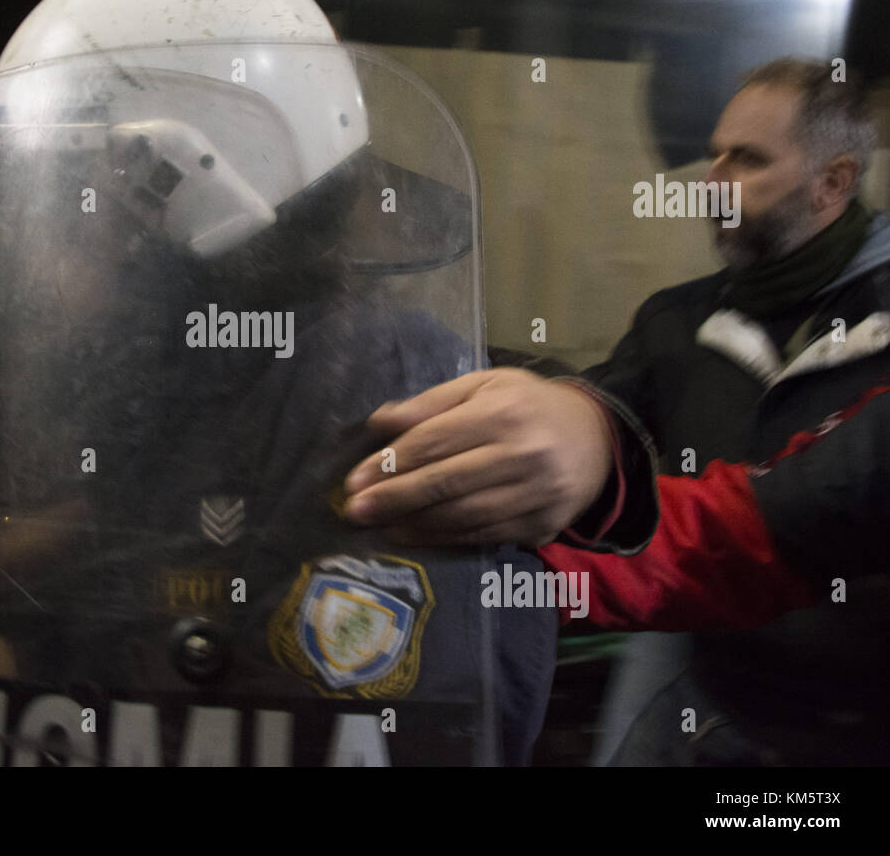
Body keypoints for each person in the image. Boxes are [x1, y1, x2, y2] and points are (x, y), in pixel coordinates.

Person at [0, 0, 648, 767]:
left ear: (189, 195)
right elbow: (102, 630)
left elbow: (340, 726)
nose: (21, 247)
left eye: (55, 206)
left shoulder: (377, 388)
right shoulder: (192, 383)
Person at [344, 57, 888, 765]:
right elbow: (604, 410)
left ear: (834, 182)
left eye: (747, 160)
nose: (713, 179)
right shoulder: (677, 319)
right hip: (719, 691)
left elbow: (784, 515)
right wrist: (565, 419)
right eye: (714, 154)